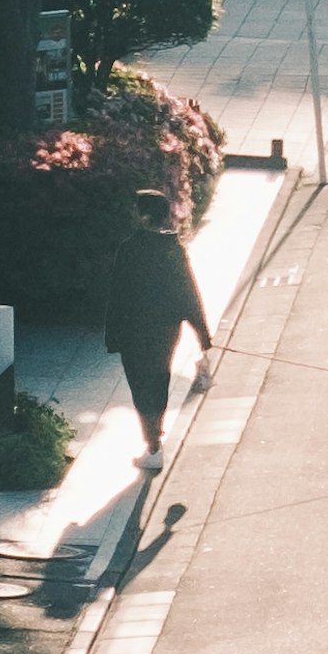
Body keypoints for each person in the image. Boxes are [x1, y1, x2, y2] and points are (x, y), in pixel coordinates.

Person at [102, 194, 213, 464]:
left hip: (134, 329)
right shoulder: (172, 247)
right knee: (159, 378)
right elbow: (188, 291)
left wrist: (112, 335)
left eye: (135, 209)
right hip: (166, 329)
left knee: (141, 385)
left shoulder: (129, 249)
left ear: (145, 215)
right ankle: (155, 440)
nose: (131, 213)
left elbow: (117, 295)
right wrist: (202, 333)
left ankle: (153, 446)